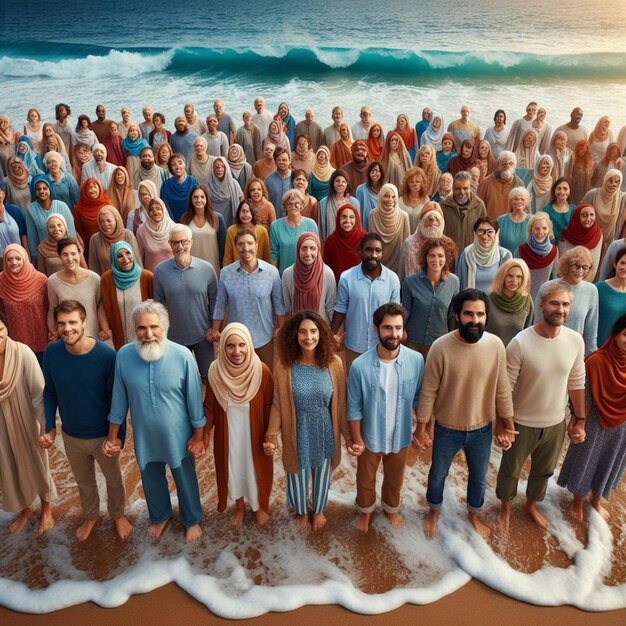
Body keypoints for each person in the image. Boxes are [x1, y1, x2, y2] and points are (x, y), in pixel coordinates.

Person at [413, 289, 514, 539]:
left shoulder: (496, 345)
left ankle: (473, 514)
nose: (475, 320)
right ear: (457, 316)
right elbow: (428, 392)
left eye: (480, 314)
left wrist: (507, 425)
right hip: (447, 428)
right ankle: (434, 510)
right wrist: (422, 428)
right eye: (468, 313)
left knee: (479, 479)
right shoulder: (441, 346)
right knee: (437, 474)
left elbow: (502, 388)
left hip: (482, 429)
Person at [104, 300, 206, 543]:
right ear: (134, 330)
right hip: (144, 435)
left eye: (154, 327)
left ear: (165, 327)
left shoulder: (182, 355)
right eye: (141, 328)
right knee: (150, 477)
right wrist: (112, 437)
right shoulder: (124, 356)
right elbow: (118, 401)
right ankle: (160, 515)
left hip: (178, 435)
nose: (148, 334)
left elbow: (195, 400)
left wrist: (198, 436)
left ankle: (191, 519)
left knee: (184, 477)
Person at [496, 281, 585, 530]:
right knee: (510, 471)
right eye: (555, 303)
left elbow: (577, 382)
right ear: (541, 305)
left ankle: (531, 505)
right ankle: (505, 507)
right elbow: (504, 389)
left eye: (566, 304)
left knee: (544, 471)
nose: (561, 309)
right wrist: (503, 425)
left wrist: (579, 420)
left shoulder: (575, 341)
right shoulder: (520, 343)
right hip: (521, 423)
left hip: (555, 423)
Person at [40, 300, 131, 541]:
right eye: (62, 324)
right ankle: (91, 515)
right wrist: (49, 427)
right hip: (71, 434)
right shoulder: (51, 353)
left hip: (103, 435)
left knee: (113, 480)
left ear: (84, 322)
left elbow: (117, 400)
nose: (67, 328)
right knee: (84, 482)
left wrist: (118, 437)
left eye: (72, 322)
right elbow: (49, 391)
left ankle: (118, 514)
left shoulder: (107, 356)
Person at [265, 311, 353, 531]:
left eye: (313, 331)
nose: (308, 337)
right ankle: (302, 511)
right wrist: (271, 435)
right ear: (294, 336)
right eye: (302, 332)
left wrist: (349, 437)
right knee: (297, 473)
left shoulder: (335, 364)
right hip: (298, 427)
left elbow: (341, 404)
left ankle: (319, 509)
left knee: (323, 472)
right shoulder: (285, 366)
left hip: (325, 426)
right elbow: (277, 403)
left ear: (321, 334)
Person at [348, 302, 424, 532]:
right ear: (376, 329)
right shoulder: (359, 366)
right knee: (365, 480)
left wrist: (421, 430)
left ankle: (391, 510)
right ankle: (365, 512)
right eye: (388, 328)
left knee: (395, 479)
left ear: (404, 330)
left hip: (400, 436)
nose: (393, 334)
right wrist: (357, 439)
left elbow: (420, 398)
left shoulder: (416, 360)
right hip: (370, 437)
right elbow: (353, 406)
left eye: (398, 328)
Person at [557, 313, 626, 522]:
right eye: (625, 334)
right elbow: (582, 395)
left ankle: (596, 499)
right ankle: (577, 500)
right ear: (615, 334)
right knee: (586, 459)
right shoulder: (596, 360)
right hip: (595, 419)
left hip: (622, 424)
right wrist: (579, 423)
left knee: (611, 461)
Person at [205, 322, 274, 528]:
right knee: (233, 470)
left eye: (242, 345)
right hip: (229, 436)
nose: (237, 351)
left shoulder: (261, 371)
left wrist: (271, 436)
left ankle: (259, 506)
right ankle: (240, 507)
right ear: (223, 347)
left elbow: (271, 406)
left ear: (249, 345)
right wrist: (203, 435)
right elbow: (208, 408)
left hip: (254, 433)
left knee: (256, 470)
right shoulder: (215, 372)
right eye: (230, 346)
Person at [0, 313, 55, 535]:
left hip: (25, 415)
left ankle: (46, 507)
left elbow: (39, 393)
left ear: (6, 330)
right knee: (7, 464)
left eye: (1, 330)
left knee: (37, 460)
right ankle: (25, 508)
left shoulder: (23, 353)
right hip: (1, 422)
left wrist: (44, 427)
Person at [210, 228, 286, 369]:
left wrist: (281, 328)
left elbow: (279, 305)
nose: (246, 248)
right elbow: (220, 305)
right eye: (241, 244)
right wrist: (215, 330)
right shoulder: (226, 273)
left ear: (256, 245)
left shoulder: (271, 272)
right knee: (238, 381)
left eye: (250, 243)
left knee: (265, 380)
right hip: (236, 343)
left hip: (264, 339)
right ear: (235, 247)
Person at [153, 224, 217, 380]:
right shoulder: (160, 271)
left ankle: (207, 406)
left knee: (208, 377)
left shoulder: (207, 269)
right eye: (175, 242)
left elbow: (215, 299)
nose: (180, 246)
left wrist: (214, 328)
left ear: (191, 242)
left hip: (203, 336)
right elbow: (158, 305)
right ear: (170, 244)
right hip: (174, 337)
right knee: (178, 378)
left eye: (184, 241)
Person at [331, 233, 401, 371]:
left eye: (377, 250)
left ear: (382, 253)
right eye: (369, 250)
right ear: (360, 252)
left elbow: (395, 313)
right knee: (354, 384)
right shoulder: (347, 278)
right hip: (354, 345)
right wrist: (332, 335)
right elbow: (340, 309)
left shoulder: (392, 279)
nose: (373, 254)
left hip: (381, 344)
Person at [402, 237, 459, 357]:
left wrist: (452, 338)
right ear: (425, 258)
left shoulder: (454, 282)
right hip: (412, 341)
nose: (436, 260)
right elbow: (405, 312)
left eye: (440, 256)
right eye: (431, 255)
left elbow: (452, 314)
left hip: (439, 343)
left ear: (447, 258)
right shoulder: (410, 282)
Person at [47, 237, 111, 343]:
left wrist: (104, 329)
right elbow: (52, 309)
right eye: (65, 254)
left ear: (79, 254)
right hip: (68, 336)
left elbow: (100, 306)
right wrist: (53, 331)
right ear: (59, 257)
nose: (70, 258)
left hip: (93, 336)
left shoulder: (95, 279)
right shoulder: (52, 281)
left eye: (73, 253)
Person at [100, 242, 154, 350]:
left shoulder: (147, 277)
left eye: (128, 253)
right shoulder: (107, 279)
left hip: (145, 335)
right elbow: (103, 306)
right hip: (120, 337)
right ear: (114, 259)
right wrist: (105, 329)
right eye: (119, 256)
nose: (125, 259)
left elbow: (155, 307)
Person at [0, 244, 49, 361]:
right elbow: (1, 312)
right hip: (16, 342)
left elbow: (49, 307)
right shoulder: (1, 282)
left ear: (25, 259)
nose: (14, 263)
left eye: (18, 258)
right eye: (9, 259)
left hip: (41, 338)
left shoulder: (41, 280)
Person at [550, 247, 599, 356]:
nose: (580, 271)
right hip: (549, 349)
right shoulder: (549, 287)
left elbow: (591, 332)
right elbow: (538, 322)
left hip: (575, 354)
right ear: (567, 265)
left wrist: (592, 358)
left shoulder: (592, 290)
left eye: (585, 267)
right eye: (576, 266)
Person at [282, 232, 336, 321]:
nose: (308, 253)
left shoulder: (327, 273)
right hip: (297, 328)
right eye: (304, 248)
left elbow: (330, 307)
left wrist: (332, 333)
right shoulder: (288, 274)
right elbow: (288, 309)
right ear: (298, 250)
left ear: (318, 250)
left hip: (320, 329)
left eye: (312, 248)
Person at [25, 174, 76, 260]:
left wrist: (73, 250)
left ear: (50, 189)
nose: (41, 191)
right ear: (34, 191)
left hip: (66, 253)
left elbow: (71, 232)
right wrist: (36, 258)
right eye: (38, 189)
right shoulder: (31, 209)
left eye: (44, 188)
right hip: (46, 256)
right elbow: (32, 238)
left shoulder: (62, 206)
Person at [456, 216, 512, 292]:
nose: (485, 236)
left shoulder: (504, 255)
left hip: (497, 302)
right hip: (472, 301)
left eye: (490, 232)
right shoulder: (467, 254)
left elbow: (509, 286)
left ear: (496, 233)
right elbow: (460, 285)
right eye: (481, 231)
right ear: (475, 233)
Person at [486, 259, 534, 346]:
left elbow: (529, 333)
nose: (514, 280)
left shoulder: (527, 301)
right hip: (491, 352)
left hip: (516, 354)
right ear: (502, 277)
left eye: (519, 277)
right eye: (510, 276)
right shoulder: (488, 300)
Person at [180, 186, 226, 276]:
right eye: (195, 197)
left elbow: (223, 244)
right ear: (191, 200)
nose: (199, 200)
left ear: (207, 199)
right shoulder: (185, 219)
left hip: (214, 266)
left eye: (202, 197)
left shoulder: (217, 218)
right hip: (191, 268)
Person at [270, 189, 318, 275]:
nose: (293, 207)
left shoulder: (311, 224)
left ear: (302, 205)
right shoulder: (275, 226)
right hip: (284, 274)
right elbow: (274, 254)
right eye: (290, 204)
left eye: (297, 204)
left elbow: (316, 251)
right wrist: (274, 276)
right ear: (285, 206)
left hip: (307, 274)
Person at [399, 201, 451, 281]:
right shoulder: (410, 243)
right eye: (429, 219)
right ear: (422, 222)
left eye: (436, 219)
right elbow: (403, 274)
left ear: (441, 223)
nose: (433, 221)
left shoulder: (447, 244)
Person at [581, 169, 625, 260]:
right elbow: (580, 212)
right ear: (605, 180)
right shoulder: (593, 194)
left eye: (617, 181)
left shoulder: (621, 197)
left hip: (608, 241)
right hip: (590, 238)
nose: (613, 184)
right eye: (610, 180)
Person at [367, 183, 410, 275]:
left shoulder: (403, 216)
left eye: (393, 197)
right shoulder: (373, 215)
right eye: (386, 196)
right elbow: (370, 242)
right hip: (376, 265)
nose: (390, 200)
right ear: (380, 197)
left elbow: (407, 245)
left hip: (397, 267)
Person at [514, 211, 558, 301]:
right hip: (522, 299)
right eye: (537, 229)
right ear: (531, 230)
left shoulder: (555, 251)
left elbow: (555, 279)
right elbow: (515, 277)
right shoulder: (521, 250)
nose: (540, 232)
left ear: (549, 230)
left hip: (544, 300)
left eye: (544, 228)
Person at [88, 205, 142, 276]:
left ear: (116, 220)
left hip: (129, 281)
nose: (105, 224)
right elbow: (93, 267)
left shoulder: (128, 235)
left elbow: (137, 262)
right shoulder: (95, 239)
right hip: (107, 283)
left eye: (109, 221)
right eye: (101, 221)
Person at [441, 171, 487, 251]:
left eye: (465, 188)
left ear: (470, 189)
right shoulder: (443, 206)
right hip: (450, 254)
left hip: (472, 255)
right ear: (453, 189)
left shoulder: (479, 205)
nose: (462, 192)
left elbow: (484, 231)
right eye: (458, 189)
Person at [323, 203, 367, 282]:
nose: (348, 220)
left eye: (351, 217)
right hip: (338, 287)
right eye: (344, 217)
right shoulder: (330, 241)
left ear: (356, 219)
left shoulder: (364, 238)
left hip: (360, 285)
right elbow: (327, 269)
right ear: (338, 219)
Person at [558, 204, 603, 279]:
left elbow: (593, 266)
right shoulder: (565, 238)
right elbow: (563, 266)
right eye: (584, 215)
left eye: (592, 215)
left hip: (587, 283)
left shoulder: (598, 235)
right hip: (566, 282)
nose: (588, 219)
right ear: (576, 218)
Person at [595, 246, 626, 346]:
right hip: (597, 348)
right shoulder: (598, 288)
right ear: (615, 264)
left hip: (619, 351)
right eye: (623, 263)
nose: (625, 268)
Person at [73, 178, 112, 258]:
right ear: (85, 190)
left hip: (108, 244)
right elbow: (78, 230)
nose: (93, 190)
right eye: (89, 187)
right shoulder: (79, 209)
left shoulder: (107, 204)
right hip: (89, 246)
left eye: (95, 186)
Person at [319, 168, 360, 240]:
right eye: (337, 181)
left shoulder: (355, 203)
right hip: (331, 243)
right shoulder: (324, 203)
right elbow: (321, 228)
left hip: (351, 242)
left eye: (343, 181)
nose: (340, 184)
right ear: (332, 183)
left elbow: (358, 226)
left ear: (347, 184)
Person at [136, 198, 175, 272]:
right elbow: (140, 256)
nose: (155, 212)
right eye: (151, 210)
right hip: (152, 275)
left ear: (163, 210)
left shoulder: (173, 227)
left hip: (172, 273)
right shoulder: (141, 231)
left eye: (158, 208)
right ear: (147, 213)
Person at [206, 156, 244, 228]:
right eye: (217, 167)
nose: (219, 169)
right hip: (214, 222)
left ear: (226, 168)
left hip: (231, 221)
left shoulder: (234, 184)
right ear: (213, 169)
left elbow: (242, 199)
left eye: (222, 167)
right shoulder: (209, 186)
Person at [159, 153, 199, 222]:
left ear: (185, 164)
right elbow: (164, 208)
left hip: (192, 222)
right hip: (172, 224)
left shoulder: (193, 182)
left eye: (180, 163)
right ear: (170, 168)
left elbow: (198, 204)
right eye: (174, 165)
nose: (177, 167)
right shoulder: (165, 186)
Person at [496, 187, 531, 254]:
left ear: (527, 202)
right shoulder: (501, 220)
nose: (519, 201)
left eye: (522, 199)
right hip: (505, 259)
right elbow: (495, 242)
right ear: (511, 201)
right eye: (516, 199)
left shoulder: (532, 220)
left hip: (526, 261)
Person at [543, 177, 575, 243]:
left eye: (565, 189)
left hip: (570, 245)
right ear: (554, 191)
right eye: (559, 188)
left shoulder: (574, 209)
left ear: (570, 191)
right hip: (552, 246)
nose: (562, 192)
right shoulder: (547, 210)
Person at [398, 167, 430, 232]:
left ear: (422, 183)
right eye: (411, 182)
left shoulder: (426, 201)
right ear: (407, 184)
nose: (415, 184)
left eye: (418, 181)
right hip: (403, 236)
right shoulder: (400, 201)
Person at [264, 147, 293, 217]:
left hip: (293, 219)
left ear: (289, 161)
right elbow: (265, 201)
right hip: (275, 219)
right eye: (279, 160)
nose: (281, 162)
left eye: (284, 160)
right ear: (275, 161)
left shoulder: (295, 177)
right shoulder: (268, 180)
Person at [355, 160, 383, 229]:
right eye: (372, 171)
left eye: (377, 171)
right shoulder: (361, 189)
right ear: (368, 173)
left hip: (381, 225)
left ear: (381, 172)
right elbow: (358, 211)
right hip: (365, 225)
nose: (374, 174)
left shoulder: (384, 189)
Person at [568, 140, 594, 204]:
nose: (583, 151)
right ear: (578, 148)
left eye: (585, 150)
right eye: (581, 149)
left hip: (584, 188)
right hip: (574, 186)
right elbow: (569, 173)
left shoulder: (589, 160)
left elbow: (591, 174)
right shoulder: (573, 157)